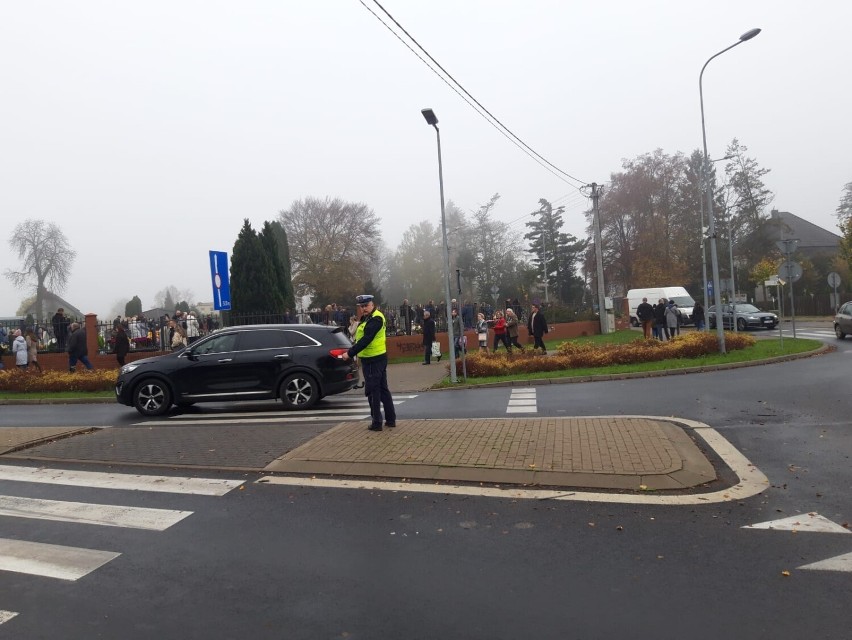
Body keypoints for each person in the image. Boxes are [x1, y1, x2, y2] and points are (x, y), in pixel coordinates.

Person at [342, 294, 396, 432]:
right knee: (383, 389)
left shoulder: (376, 318)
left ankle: (377, 422)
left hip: (373, 360)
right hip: (375, 358)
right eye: (362, 306)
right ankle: (390, 420)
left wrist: (349, 353)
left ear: (373, 304)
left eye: (366, 305)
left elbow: (366, 339)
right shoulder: (369, 317)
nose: (364, 309)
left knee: (373, 391)